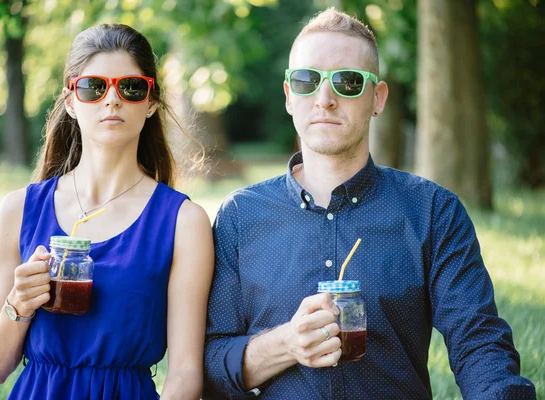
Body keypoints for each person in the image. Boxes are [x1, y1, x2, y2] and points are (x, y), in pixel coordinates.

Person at [203, 8, 536, 399]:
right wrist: (286, 344)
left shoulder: (433, 211)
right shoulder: (241, 216)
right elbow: (209, 362)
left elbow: (479, 344)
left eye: (346, 81)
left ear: (377, 98)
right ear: (290, 96)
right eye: (307, 81)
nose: (324, 99)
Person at [0, 23, 214, 399]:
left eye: (131, 87)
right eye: (93, 87)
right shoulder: (18, 210)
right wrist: (19, 303)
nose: (112, 99)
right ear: (71, 101)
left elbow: (185, 373)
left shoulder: (184, 222)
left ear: (152, 102)